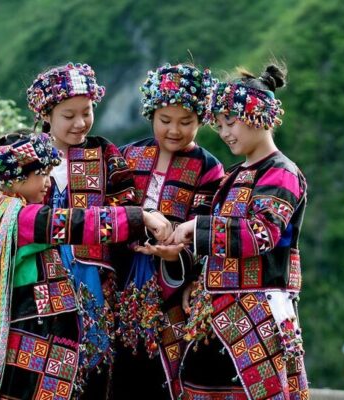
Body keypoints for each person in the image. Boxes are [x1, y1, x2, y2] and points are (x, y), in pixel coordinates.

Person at [0, 130, 171, 400]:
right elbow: (79, 223)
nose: (47, 183)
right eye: (42, 174)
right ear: (18, 177)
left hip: (28, 332)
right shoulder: (24, 218)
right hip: (34, 334)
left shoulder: (3, 214)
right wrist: (140, 217)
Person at [168, 64, 310, 399]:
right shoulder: (231, 176)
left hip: (258, 313)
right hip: (215, 314)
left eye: (230, 122)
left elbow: (261, 234)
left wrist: (195, 228)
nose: (225, 133)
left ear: (257, 115)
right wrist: (195, 279)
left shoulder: (281, 173)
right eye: (218, 126)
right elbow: (219, 237)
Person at [112, 63, 225, 399]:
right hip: (121, 281)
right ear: (151, 115)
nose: (174, 130)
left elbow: (205, 227)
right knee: (118, 371)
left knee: (162, 374)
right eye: (165, 120)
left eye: (185, 122)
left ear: (201, 120)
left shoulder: (208, 168)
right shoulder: (129, 155)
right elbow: (112, 209)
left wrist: (179, 256)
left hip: (172, 290)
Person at [26, 62, 138, 398]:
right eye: (68, 115)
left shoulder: (103, 154)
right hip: (41, 276)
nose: (80, 123)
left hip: (94, 278)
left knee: (94, 358)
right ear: (47, 115)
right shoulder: (28, 157)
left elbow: (126, 204)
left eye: (86, 112)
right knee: (45, 358)